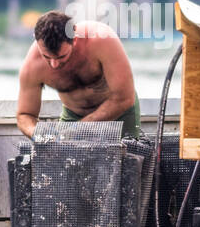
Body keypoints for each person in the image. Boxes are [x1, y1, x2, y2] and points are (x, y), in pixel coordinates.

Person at [17, 10, 142, 138]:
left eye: (61, 57)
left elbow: (124, 98)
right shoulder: (32, 65)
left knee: (128, 155)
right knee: (61, 156)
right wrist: (39, 135)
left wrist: (80, 128)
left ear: (75, 38)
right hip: (73, 117)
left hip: (119, 111)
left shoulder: (101, 40)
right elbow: (25, 115)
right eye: (46, 57)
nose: (54, 64)